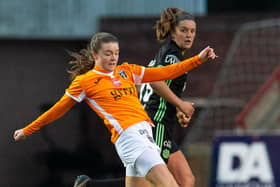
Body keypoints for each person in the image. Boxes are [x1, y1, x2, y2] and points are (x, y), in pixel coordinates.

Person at [14, 32, 217, 187]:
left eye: (116, 53)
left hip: (145, 135)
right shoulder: (85, 82)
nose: (113, 58)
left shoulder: (126, 71)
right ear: (95, 54)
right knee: (170, 184)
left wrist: (198, 59)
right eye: (108, 54)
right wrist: (27, 130)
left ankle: (88, 185)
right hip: (131, 139)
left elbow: (164, 72)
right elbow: (57, 109)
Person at [138, 7, 199, 187]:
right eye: (183, 30)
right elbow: (156, 82)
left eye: (192, 31)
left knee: (186, 180)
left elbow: (149, 84)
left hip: (161, 124)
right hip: (155, 124)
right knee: (153, 183)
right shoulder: (171, 56)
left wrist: (177, 109)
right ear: (172, 33)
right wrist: (180, 104)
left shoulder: (169, 54)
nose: (189, 35)